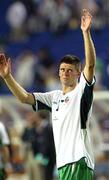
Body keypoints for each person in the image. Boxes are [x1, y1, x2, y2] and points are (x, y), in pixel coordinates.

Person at [0, 9, 96, 180]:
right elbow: (24, 97)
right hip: (64, 165)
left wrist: (86, 33)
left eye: (70, 70)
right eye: (62, 70)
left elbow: (89, 66)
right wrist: (7, 77)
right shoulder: (54, 97)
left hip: (78, 161)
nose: (65, 73)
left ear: (77, 74)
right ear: (58, 73)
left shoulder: (81, 92)